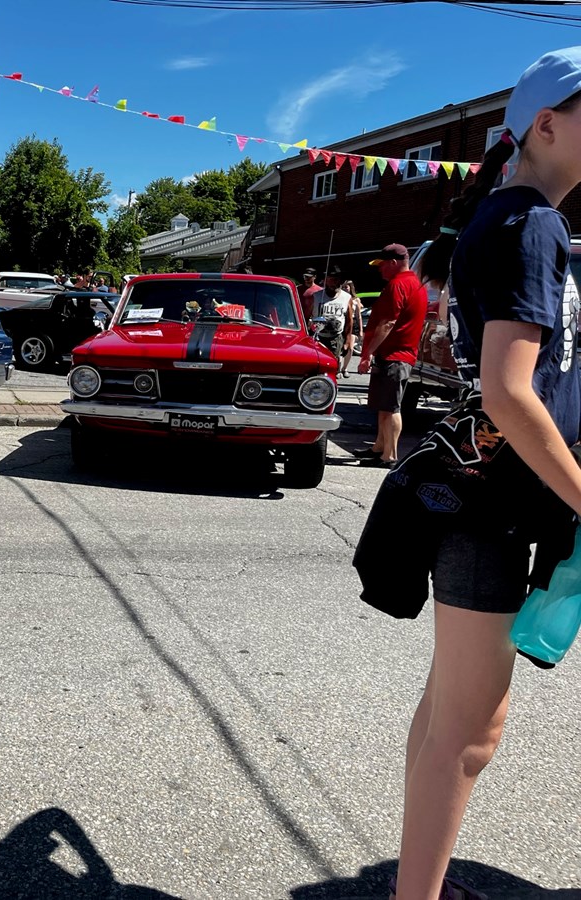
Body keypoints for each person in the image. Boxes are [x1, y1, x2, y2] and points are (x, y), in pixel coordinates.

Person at [355, 47, 581, 900]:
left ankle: (419, 884)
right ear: (547, 125)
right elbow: (510, 393)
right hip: (497, 503)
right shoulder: (532, 225)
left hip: (484, 495)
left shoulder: (505, 217)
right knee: (472, 729)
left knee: (447, 711)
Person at [353, 244, 427, 466]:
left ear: (393, 263)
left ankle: (390, 455)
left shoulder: (398, 285)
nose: (380, 270)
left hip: (396, 355)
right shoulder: (416, 284)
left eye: (382, 265)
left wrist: (367, 353)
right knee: (384, 405)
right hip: (395, 355)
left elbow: (388, 322)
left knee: (391, 407)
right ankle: (379, 447)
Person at [310, 265, 350, 360]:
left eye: (337, 279)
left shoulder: (346, 297)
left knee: (333, 362)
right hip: (318, 337)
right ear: (326, 280)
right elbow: (307, 316)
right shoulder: (316, 296)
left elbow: (349, 321)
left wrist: (347, 340)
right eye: (331, 279)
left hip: (336, 338)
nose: (334, 283)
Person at [340, 279, 363, 378]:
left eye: (347, 287)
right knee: (341, 347)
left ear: (350, 288)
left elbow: (359, 316)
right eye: (344, 287)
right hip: (342, 322)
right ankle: (338, 368)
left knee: (350, 347)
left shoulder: (355, 300)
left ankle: (344, 368)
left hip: (353, 323)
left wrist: (361, 330)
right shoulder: (340, 298)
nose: (345, 288)